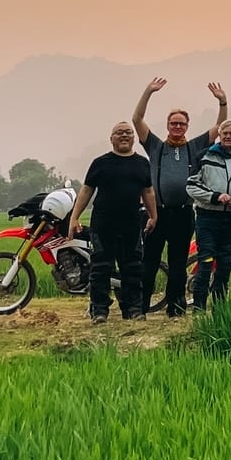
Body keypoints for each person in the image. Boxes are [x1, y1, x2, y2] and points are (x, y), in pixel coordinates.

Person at [132, 77, 225, 318]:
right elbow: (137, 120)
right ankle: (140, 307)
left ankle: (176, 307)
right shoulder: (155, 147)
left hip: (183, 214)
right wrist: (148, 92)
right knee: (149, 263)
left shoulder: (194, 147)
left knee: (177, 264)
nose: (177, 127)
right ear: (167, 125)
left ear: (187, 126)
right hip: (156, 214)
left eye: (181, 124)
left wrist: (222, 103)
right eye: (173, 123)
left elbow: (220, 128)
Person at [67, 121, 157, 322]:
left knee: (132, 267)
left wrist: (153, 215)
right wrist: (74, 217)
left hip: (131, 223)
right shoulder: (100, 163)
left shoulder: (142, 163)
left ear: (134, 138)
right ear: (111, 138)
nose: (124, 136)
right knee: (100, 268)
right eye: (119, 133)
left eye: (128, 132)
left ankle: (133, 309)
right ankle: (99, 311)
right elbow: (86, 190)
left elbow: (148, 191)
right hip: (103, 223)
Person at [186, 119, 231, 309]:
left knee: (225, 264)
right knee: (206, 262)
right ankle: (199, 307)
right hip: (207, 218)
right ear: (219, 135)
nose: (228, 136)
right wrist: (214, 197)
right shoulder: (204, 157)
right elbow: (191, 186)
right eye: (224, 133)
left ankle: (219, 307)